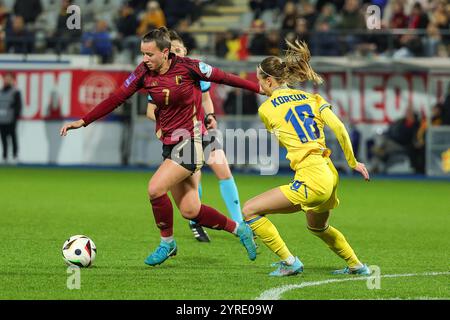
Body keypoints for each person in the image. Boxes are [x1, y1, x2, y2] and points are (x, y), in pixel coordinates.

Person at [60, 27, 258, 266]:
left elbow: (226, 78)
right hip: (171, 145)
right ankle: (239, 230)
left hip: (194, 141)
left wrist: (260, 88)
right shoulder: (143, 72)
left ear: (165, 53)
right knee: (190, 210)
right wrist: (83, 121)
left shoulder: (189, 66)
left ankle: (167, 243)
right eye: (142, 54)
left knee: (155, 188)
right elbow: (116, 98)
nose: (145, 59)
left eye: (149, 54)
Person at [242, 39, 371, 276]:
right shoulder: (312, 99)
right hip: (329, 172)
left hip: (311, 176)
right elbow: (340, 128)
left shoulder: (266, 109)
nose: (259, 86)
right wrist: (353, 162)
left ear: (269, 80)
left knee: (249, 210)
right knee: (318, 226)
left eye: (259, 80)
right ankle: (356, 265)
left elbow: (282, 134)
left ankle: (290, 262)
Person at [146, 30, 244, 242]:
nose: (176, 53)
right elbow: (150, 109)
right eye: (172, 51)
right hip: (182, 135)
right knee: (192, 177)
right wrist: (160, 124)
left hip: (204, 132)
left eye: (179, 49)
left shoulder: (196, 71)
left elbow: (207, 98)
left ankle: (240, 222)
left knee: (224, 172)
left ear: (185, 50)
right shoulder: (160, 78)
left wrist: (210, 115)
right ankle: (195, 220)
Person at [0, 72, 22, 164]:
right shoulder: (1, 92)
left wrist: (15, 117)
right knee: (3, 138)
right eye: (6, 78)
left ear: (12, 80)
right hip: (1, 119)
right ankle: (4, 156)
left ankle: (14, 155)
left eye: (9, 78)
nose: (7, 80)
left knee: (13, 138)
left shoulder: (15, 92)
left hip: (11, 119)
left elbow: (18, 106)